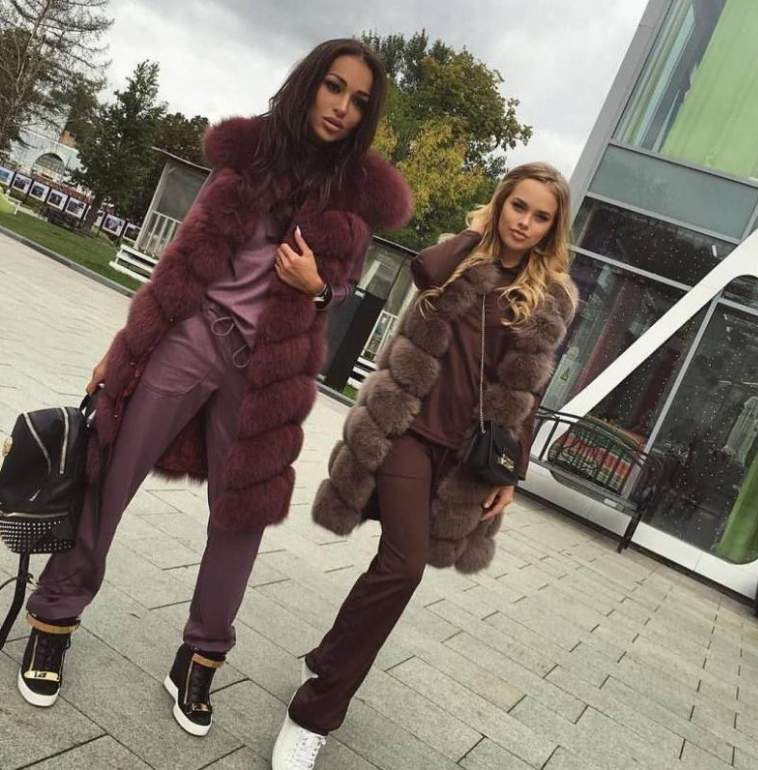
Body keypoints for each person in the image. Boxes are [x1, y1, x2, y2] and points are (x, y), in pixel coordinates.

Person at [15, 38, 412, 737]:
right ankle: (54, 618)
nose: (342, 108)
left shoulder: (355, 197)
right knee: (110, 471)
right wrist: (121, 349)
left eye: (358, 101)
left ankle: (199, 659)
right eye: (333, 87)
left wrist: (316, 287)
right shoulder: (249, 156)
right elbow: (181, 256)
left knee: (242, 515)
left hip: (268, 370)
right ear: (309, 84)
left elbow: (343, 288)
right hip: (193, 334)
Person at [272, 162, 578, 769]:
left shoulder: (552, 298)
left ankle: (329, 657)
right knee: (404, 566)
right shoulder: (458, 257)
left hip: (467, 455)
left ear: (553, 227)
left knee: (393, 567)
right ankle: (312, 716)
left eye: (541, 217)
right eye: (518, 206)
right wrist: (478, 237)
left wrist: (510, 476)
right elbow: (424, 272)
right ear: (501, 203)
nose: (525, 223)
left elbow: (530, 392)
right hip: (407, 428)